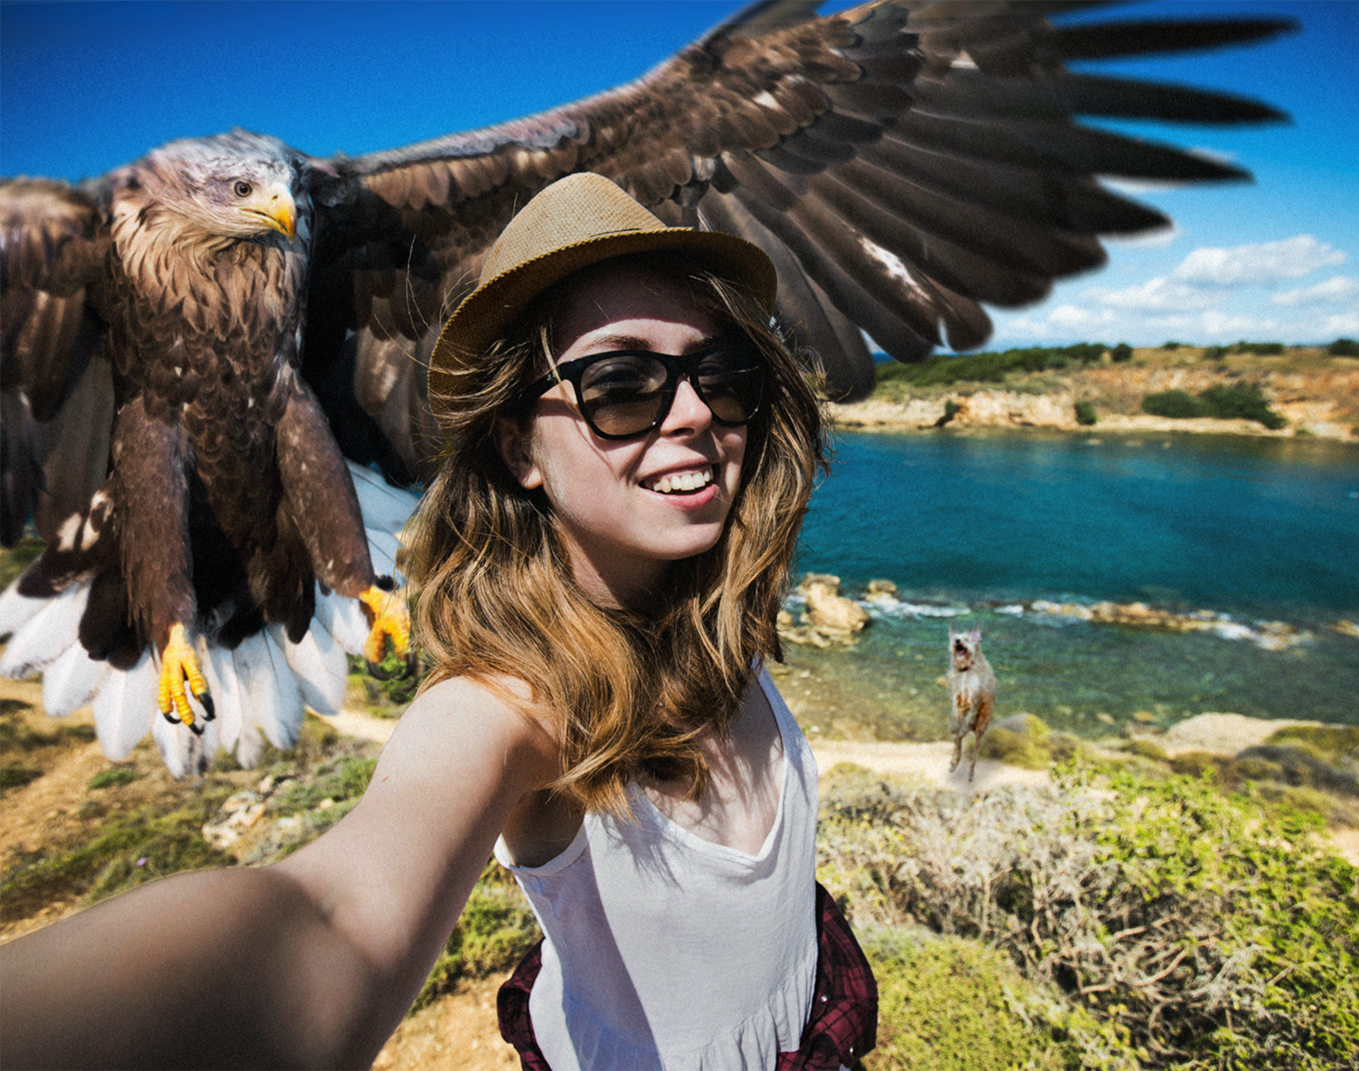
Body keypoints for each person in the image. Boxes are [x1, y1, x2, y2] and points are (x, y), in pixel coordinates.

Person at [0, 172, 876, 1071]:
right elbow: (334, 920)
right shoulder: (511, 705)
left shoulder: (722, 614)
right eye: (622, 385)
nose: (694, 414)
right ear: (517, 447)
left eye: (721, 373)